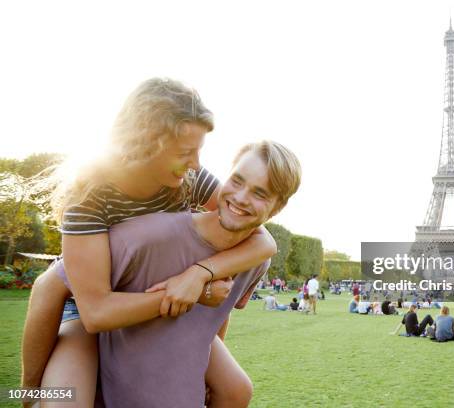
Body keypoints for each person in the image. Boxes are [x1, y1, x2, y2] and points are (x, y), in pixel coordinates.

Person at [21, 79, 278, 407]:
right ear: (145, 143)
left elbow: (262, 238)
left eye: (199, 150)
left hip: (164, 306)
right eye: (186, 152)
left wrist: (200, 272)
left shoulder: (187, 180)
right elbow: (94, 311)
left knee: (236, 389)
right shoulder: (88, 197)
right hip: (87, 314)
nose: (197, 163)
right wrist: (194, 292)